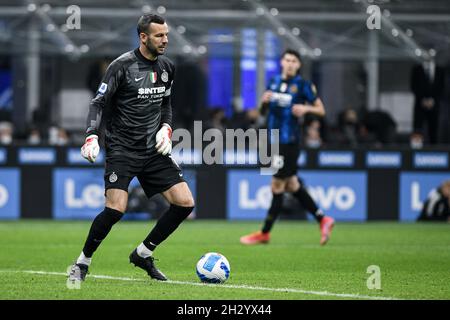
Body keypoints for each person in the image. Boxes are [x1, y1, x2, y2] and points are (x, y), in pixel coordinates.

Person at [68, 14, 195, 283]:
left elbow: (165, 105)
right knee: (115, 209)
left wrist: (166, 128)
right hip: (122, 149)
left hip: (153, 150)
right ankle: (82, 263)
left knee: (185, 203)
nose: (165, 40)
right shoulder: (121, 66)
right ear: (143, 37)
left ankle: (143, 253)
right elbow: (98, 103)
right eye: (159, 35)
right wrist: (91, 136)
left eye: (167, 35)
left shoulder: (168, 67)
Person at [240, 49, 335, 246]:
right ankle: (323, 219)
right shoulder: (273, 82)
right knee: (291, 184)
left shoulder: (303, 85)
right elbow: (262, 113)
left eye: (294, 61)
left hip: (288, 140)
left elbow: (321, 110)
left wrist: (306, 108)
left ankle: (265, 233)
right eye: (287, 60)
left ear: (298, 65)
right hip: (271, 139)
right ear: (282, 62)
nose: (290, 64)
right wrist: (263, 102)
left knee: (277, 185)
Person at [410, 58, 445, 144]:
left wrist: (433, 100)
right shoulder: (416, 69)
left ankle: (434, 151)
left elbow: (442, 87)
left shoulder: (440, 70)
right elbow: (413, 86)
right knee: (417, 128)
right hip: (419, 105)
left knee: (434, 130)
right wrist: (423, 100)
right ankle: (415, 150)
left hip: (434, 105)